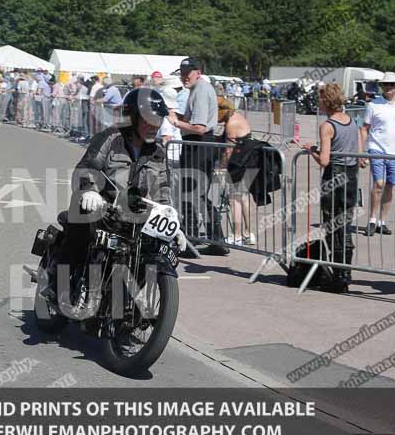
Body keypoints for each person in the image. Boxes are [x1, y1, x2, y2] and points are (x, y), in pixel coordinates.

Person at [41, 88, 185, 300]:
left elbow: (163, 192)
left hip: (134, 217)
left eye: (158, 120)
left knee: (154, 249)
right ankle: (57, 285)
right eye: (148, 120)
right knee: (82, 219)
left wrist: (172, 225)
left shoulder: (158, 153)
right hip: (102, 209)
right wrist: (90, 191)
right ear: (134, 118)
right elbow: (86, 168)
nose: (154, 126)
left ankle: (125, 300)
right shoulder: (110, 138)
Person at [302, 83, 361, 291]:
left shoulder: (327, 125)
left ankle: (339, 277)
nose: (318, 102)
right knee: (344, 225)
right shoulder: (353, 122)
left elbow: (325, 160)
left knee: (332, 227)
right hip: (351, 177)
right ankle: (345, 273)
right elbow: (359, 156)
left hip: (334, 178)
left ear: (326, 101)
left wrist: (311, 150)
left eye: (320, 99)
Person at [169, 57, 226, 254]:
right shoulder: (196, 89)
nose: (184, 77)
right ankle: (211, 239)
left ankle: (199, 240)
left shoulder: (201, 90)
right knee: (194, 193)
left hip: (199, 145)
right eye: (182, 73)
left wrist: (175, 122)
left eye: (188, 73)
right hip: (196, 145)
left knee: (193, 192)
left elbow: (199, 127)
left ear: (198, 72)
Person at [359, 72, 395, 236]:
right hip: (376, 149)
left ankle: (382, 221)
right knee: (379, 184)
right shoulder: (373, 105)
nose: (388, 88)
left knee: (390, 186)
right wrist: (361, 152)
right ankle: (372, 219)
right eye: (385, 85)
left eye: (392, 85)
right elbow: (364, 129)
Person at [216, 96, 255, 246]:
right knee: (244, 199)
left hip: (240, 164)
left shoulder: (231, 123)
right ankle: (248, 233)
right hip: (248, 161)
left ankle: (237, 235)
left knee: (234, 200)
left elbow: (228, 151)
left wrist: (221, 167)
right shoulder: (237, 117)